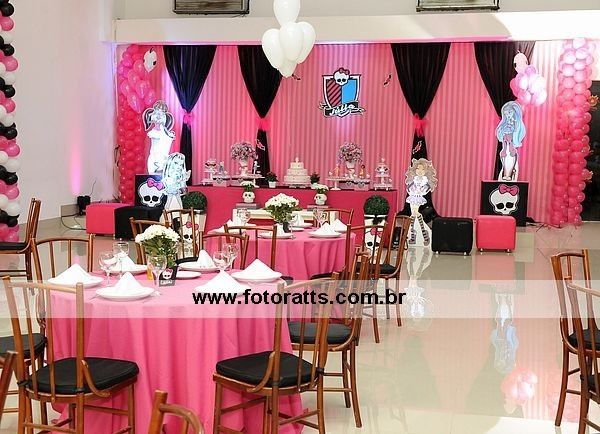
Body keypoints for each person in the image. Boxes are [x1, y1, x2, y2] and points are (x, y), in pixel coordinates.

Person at [405, 158, 438, 246]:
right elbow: (409, 187)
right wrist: (411, 190)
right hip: (413, 196)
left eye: (422, 169)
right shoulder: (414, 179)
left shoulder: (425, 181)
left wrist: (421, 191)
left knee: (415, 213)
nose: (420, 171)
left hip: (418, 197)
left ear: (426, 171)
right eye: (418, 168)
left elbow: (426, 189)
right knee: (413, 215)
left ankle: (420, 235)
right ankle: (419, 235)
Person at [495, 101, 526, 181]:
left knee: (511, 156)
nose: (508, 115)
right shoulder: (505, 124)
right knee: (504, 155)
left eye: (510, 112)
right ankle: (505, 173)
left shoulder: (516, 123)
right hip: (505, 142)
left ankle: (509, 174)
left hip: (511, 142)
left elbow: (516, 130)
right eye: (506, 113)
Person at [143, 100, 175, 174]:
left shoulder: (165, 133)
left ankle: (160, 168)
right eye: (157, 112)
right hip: (153, 155)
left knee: (161, 162)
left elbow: (168, 140)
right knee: (152, 160)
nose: (158, 116)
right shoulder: (153, 132)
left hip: (161, 155)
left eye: (162, 113)